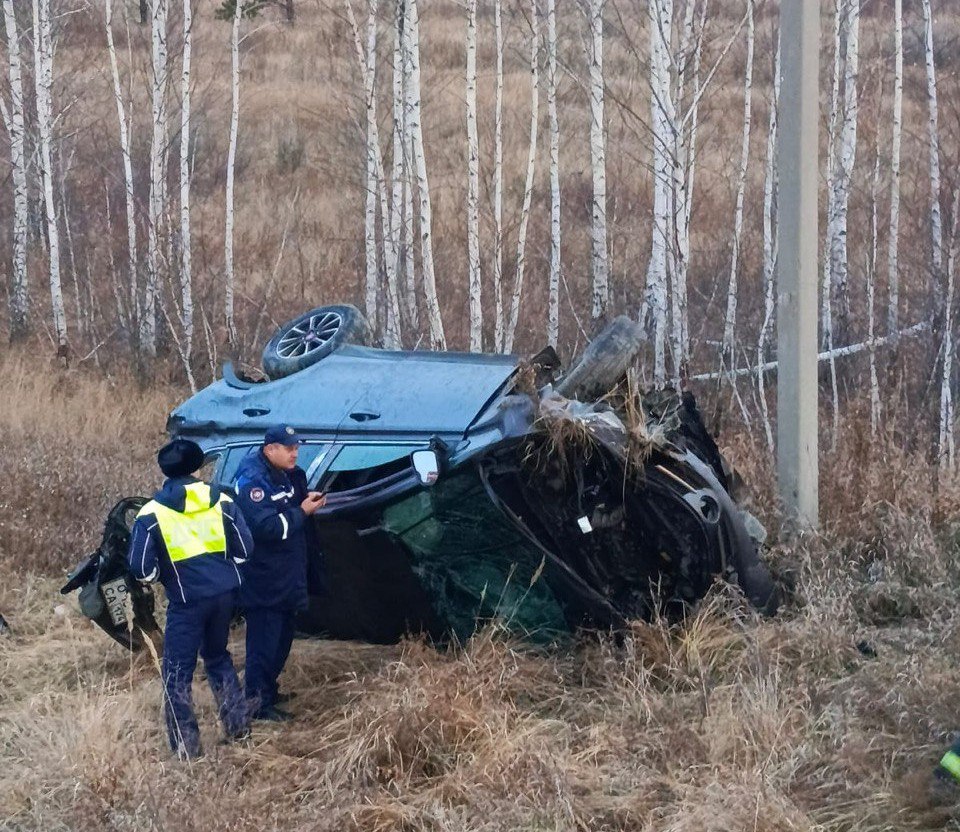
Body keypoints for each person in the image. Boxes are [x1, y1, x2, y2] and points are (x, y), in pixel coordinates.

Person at [127, 438, 254, 760]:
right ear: (199, 467)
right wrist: (225, 571)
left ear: (164, 470)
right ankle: (238, 728)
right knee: (218, 658)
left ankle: (186, 748)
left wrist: (161, 577)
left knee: (176, 671)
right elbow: (245, 547)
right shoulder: (222, 500)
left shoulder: (151, 513)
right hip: (225, 596)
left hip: (186, 601)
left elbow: (140, 568)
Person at [233, 424, 326, 721]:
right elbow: (267, 527)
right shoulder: (253, 482)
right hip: (264, 579)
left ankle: (269, 691)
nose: (295, 453)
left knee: (283, 638)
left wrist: (302, 500)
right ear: (269, 448)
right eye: (288, 448)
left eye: (296, 448)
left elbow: (286, 507)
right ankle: (256, 703)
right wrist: (302, 512)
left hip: (286, 576)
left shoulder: (284, 474)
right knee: (263, 642)